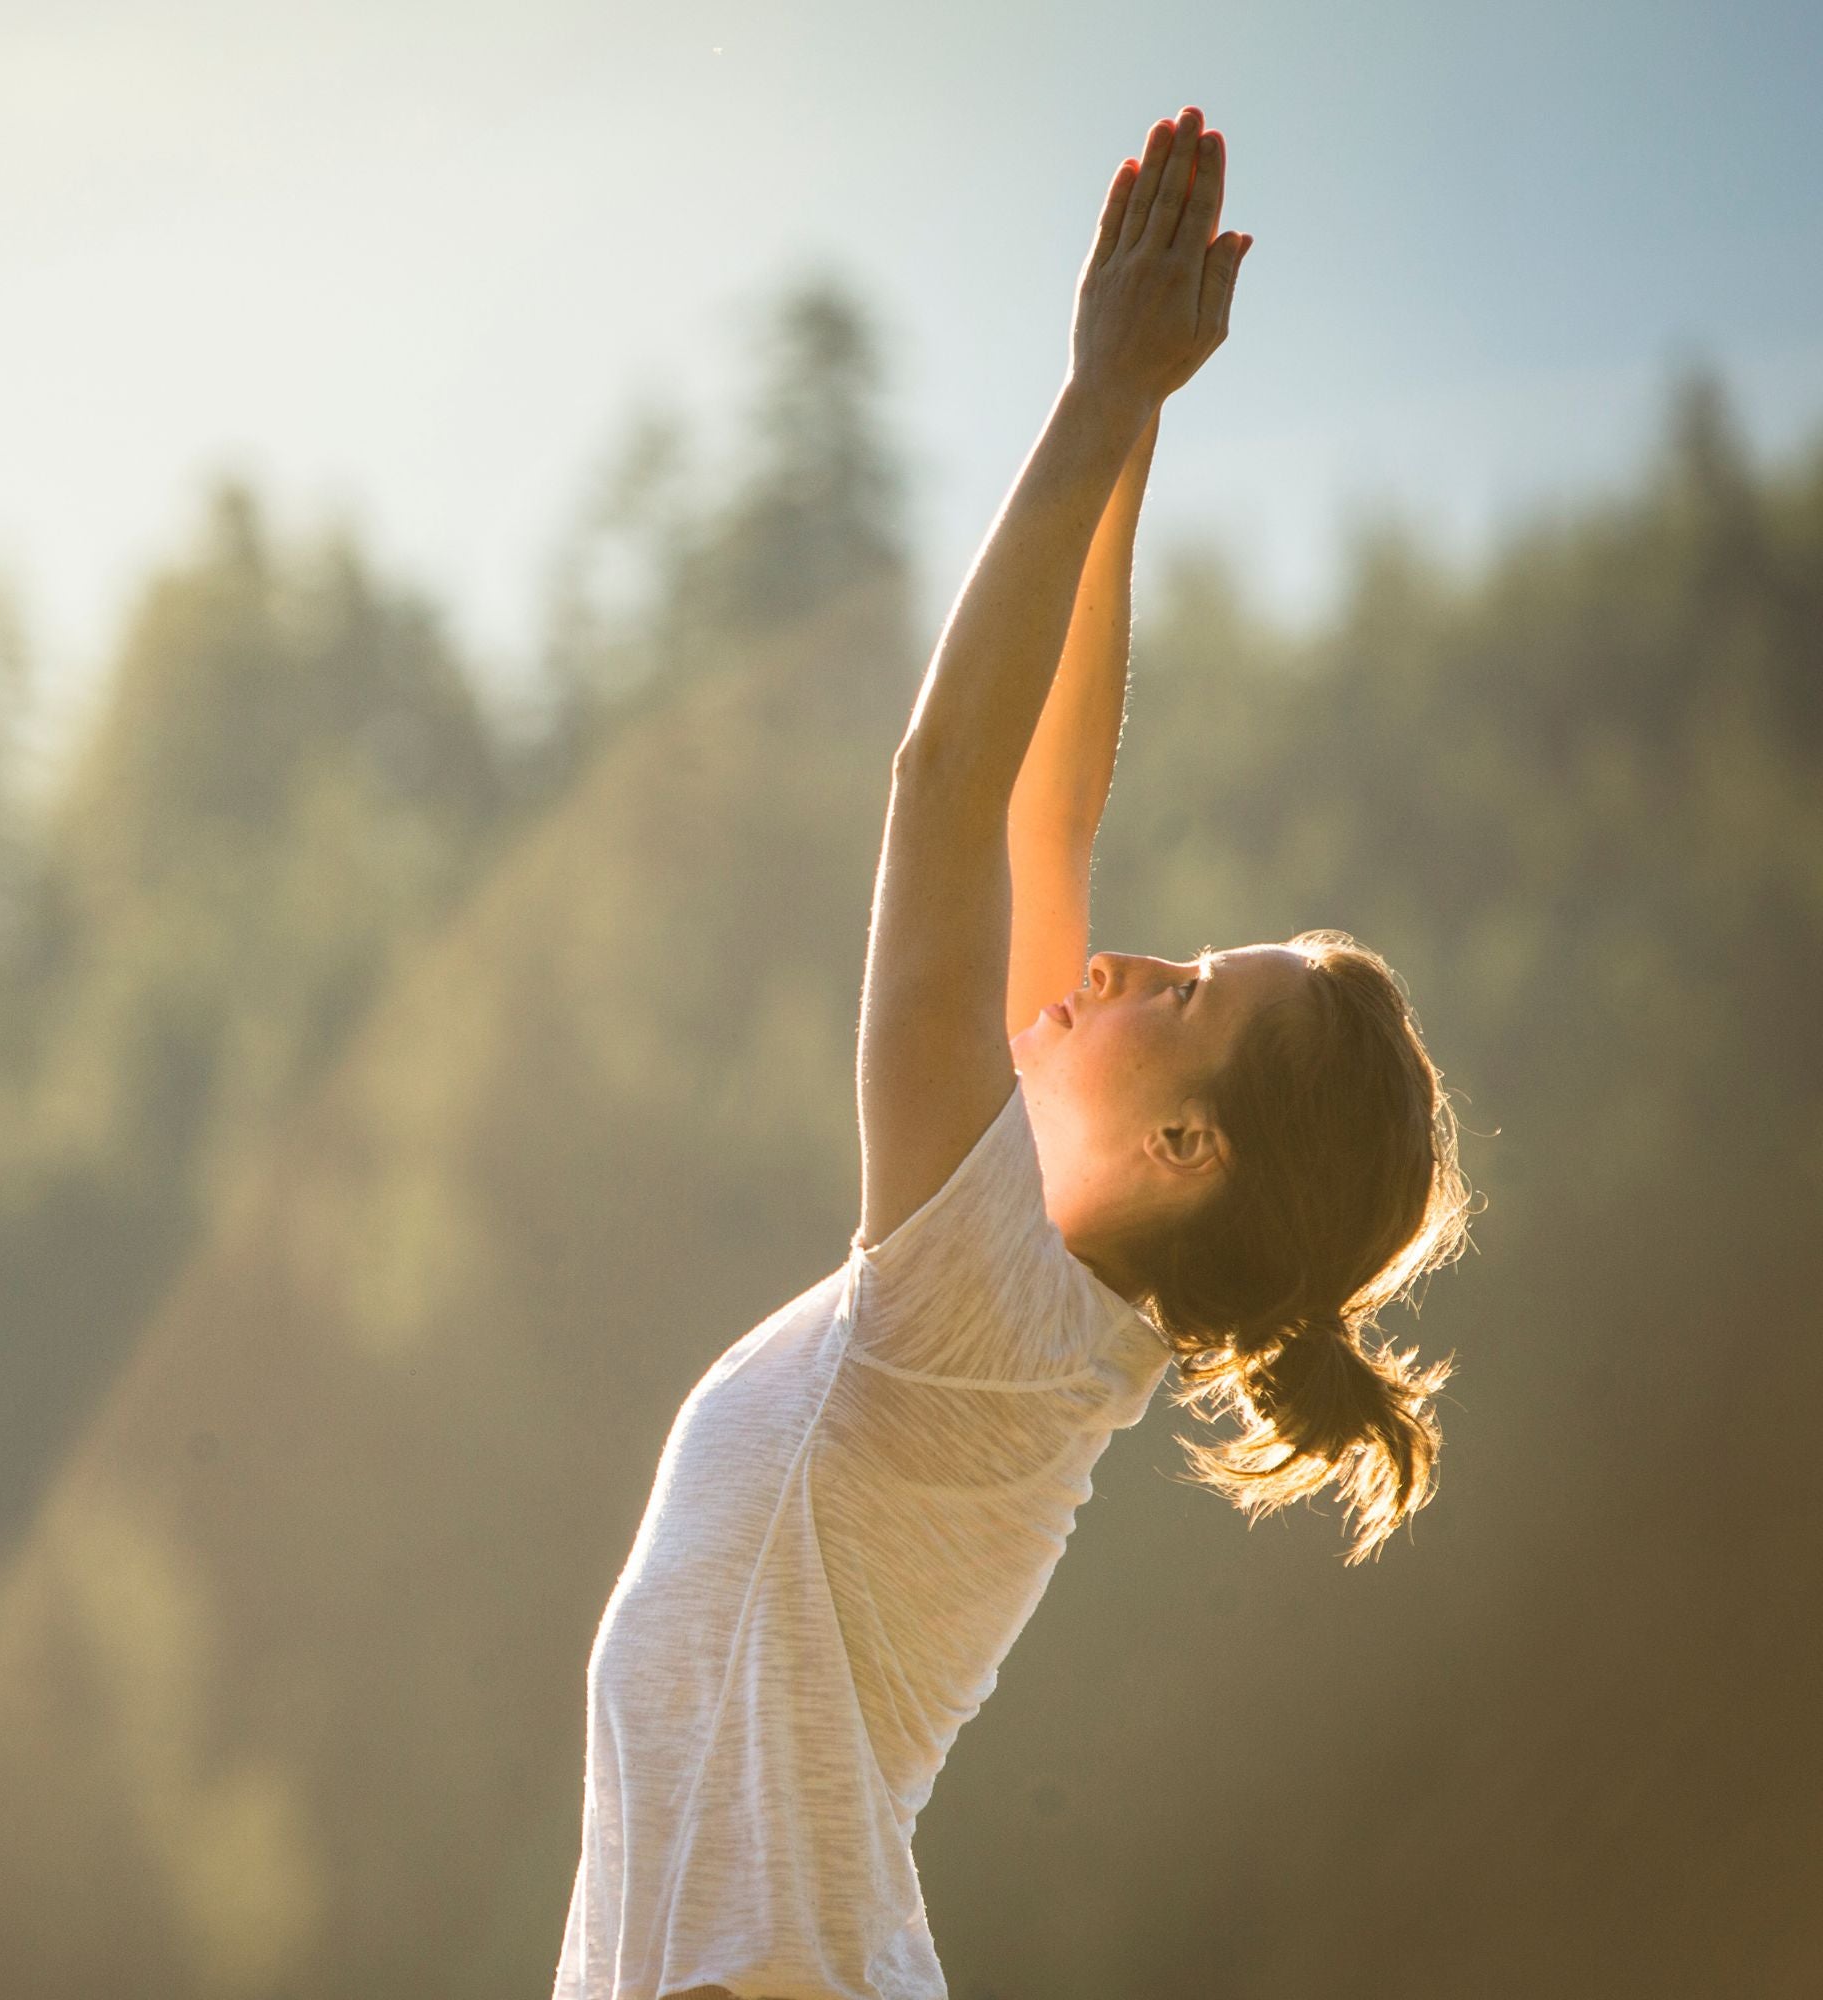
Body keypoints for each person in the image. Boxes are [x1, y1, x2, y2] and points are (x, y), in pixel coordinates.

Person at [553, 106, 1475, 2000]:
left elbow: (949, 791)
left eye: (1187, 998)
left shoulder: (982, 1305)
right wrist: (1136, 427)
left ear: (1191, 1150)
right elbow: (1043, 826)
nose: (1127, 960)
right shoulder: (1040, 1311)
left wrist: (1090, 404)